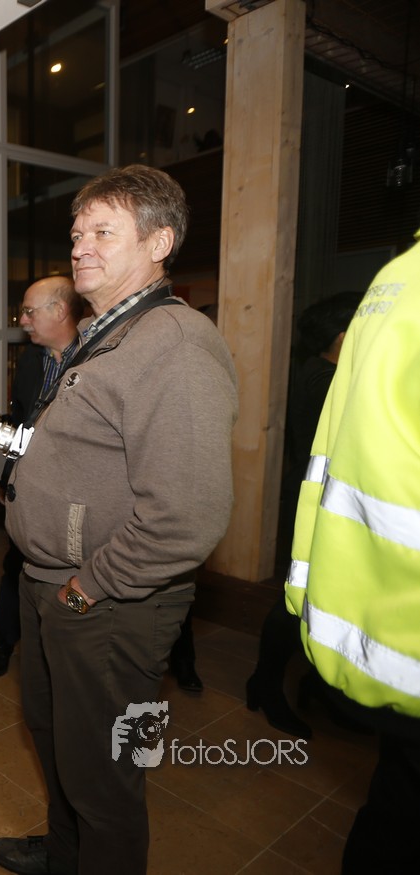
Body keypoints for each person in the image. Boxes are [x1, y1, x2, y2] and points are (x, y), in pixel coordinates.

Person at [0, 165, 239, 875]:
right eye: (77, 233)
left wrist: (85, 590)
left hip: (106, 601)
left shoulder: (174, 343)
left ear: (159, 243)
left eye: (103, 231)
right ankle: (65, 854)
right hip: (52, 584)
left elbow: (185, 517)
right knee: (57, 744)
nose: (80, 246)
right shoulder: (107, 334)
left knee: (103, 779)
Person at [285, 234, 420, 875]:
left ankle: (279, 688)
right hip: (368, 589)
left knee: (393, 811)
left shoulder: (396, 278)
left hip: (350, 578)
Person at [247, 291, 360, 739]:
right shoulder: (325, 380)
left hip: (334, 501)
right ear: (344, 336)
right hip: (318, 502)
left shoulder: (326, 372)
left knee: (330, 599)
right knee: (298, 601)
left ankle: (320, 686)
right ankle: (266, 684)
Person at [0, 276, 82, 678]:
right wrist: (6, 476)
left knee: (69, 577)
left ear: (59, 311)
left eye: (29, 311)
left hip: (72, 495)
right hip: (27, 489)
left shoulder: (95, 358)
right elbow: (20, 423)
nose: (22, 320)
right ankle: (2, 642)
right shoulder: (30, 360)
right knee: (16, 566)